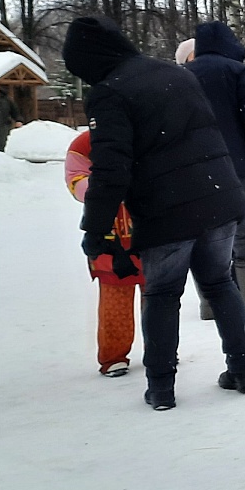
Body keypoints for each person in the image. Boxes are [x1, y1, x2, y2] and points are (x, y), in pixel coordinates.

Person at [61, 16, 245, 411]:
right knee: (219, 284)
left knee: (162, 294)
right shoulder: (173, 71)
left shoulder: (108, 92)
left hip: (166, 210)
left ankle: (161, 387)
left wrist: (94, 231)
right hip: (218, 197)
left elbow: (111, 169)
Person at [188, 19, 245, 310]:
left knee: (204, 231)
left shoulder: (184, 74)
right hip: (233, 165)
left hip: (193, 169)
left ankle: (210, 303)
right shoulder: (237, 72)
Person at [64, 129, 143, 377]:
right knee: (115, 294)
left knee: (160, 292)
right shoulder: (85, 142)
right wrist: (107, 182)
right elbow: (75, 180)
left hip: (151, 224)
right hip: (108, 230)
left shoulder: (147, 131)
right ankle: (114, 355)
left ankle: (161, 348)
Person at [0, 82, 23, 151]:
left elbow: (15, 111)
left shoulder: (6, 100)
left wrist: (19, 120)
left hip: (4, 126)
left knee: (4, 144)